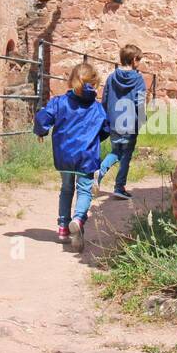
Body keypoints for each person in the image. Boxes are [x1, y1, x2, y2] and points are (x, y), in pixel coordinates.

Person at [33, 62, 109, 252]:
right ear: (95, 83)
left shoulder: (59, 102)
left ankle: (63, 228)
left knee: (66, 188)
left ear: (71, 80)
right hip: (86, 156)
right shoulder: (97, 108)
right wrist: (95, 139)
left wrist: (41, 132)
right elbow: (106, 128)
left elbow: (43, 117)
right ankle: (78, 219)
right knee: (84, 190)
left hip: (64, 155)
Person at [97, 44, 146, 200]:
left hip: (114, 121)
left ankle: (99, 172)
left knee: (116, 151)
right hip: (130, 123)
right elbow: (141, 102)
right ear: (133, 60)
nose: (139, 63)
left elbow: (104, 99)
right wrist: (142, 120)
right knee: (126, 155)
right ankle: (119, 187)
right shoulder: (138, 79)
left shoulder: (111, 78)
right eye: (139, 60)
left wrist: (106, 118)